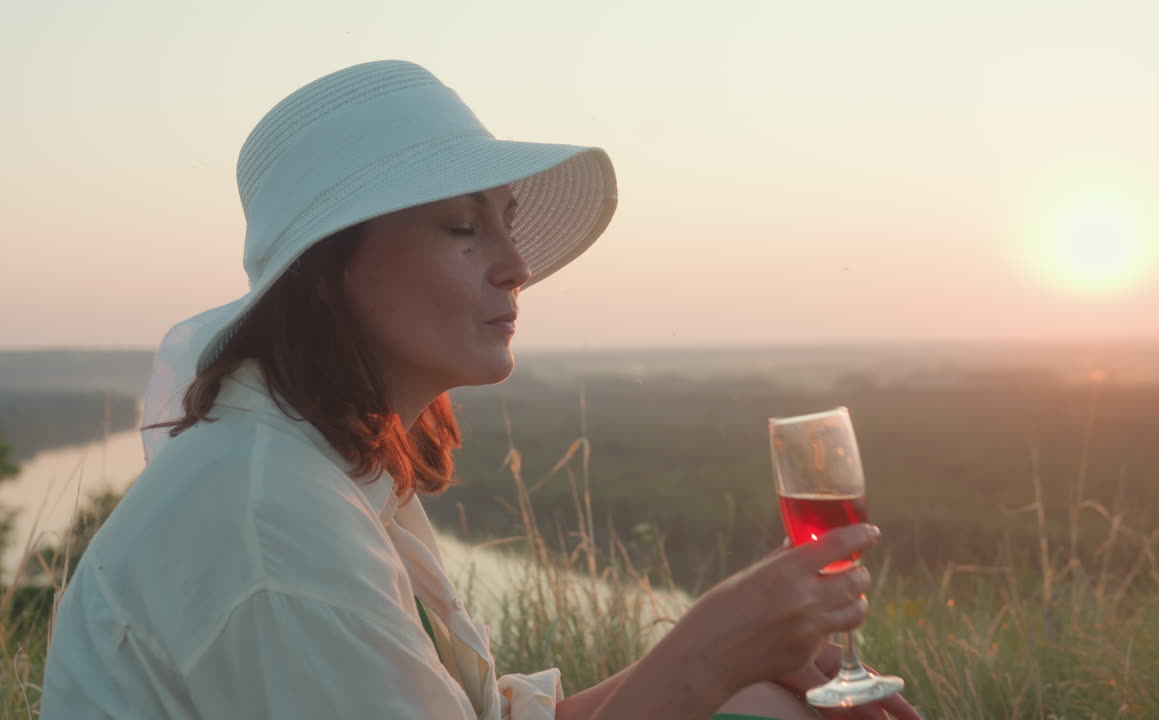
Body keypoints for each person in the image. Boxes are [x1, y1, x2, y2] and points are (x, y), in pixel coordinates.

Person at [41, 60, 920, 720]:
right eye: (463, 227)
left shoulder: (328, 469)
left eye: (508, 221)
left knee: (769, 703)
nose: (518, 266)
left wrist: (730, 657)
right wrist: (702, 652)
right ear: (326, 274)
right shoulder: (272, 524)